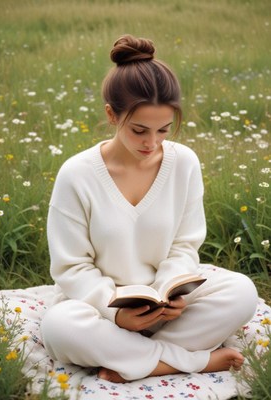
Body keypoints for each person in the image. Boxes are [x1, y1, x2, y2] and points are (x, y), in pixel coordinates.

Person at [40, 34, 258, 383]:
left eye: (163, 130)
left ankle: (133, 360)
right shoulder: (77, 174)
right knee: (60, 327)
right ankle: (190, 361)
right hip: (101, 308)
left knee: (243, 292)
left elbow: (184, 245)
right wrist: (115, 314)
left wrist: (171, 290)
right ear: (112, 115)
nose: (152, 143)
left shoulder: (184, 162)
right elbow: (71, 267)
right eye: (140, 130)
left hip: (166, 309)